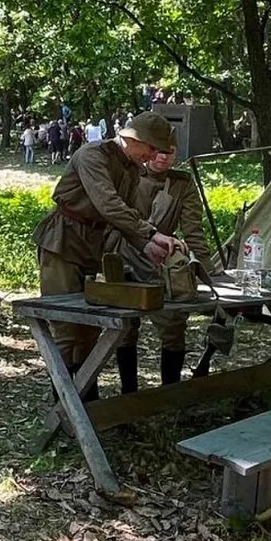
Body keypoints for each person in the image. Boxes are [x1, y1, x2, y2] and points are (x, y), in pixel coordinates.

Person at [31, 112, 180, 399]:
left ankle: (87, 398)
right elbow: (108, 204)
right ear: (134, 140)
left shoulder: (131, 168)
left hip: (94, 246)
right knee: (65, 327)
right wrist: (150, 234)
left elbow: (127, 214)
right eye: (151, 149)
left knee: (89, 329)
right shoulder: (92, 155)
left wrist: (147, 246)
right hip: (62, 243)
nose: (152, 157)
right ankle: (64, 405)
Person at [112, 140, 219, 392]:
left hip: (163, 264)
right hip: (124, 257)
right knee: (124, 330)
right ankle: (129, 395)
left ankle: (170, 394)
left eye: (170, 152)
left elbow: (193, 230)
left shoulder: (182, 184)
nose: (163, 157)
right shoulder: (128, 175)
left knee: (173, 327)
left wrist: (208, 270)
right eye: (158, 150)